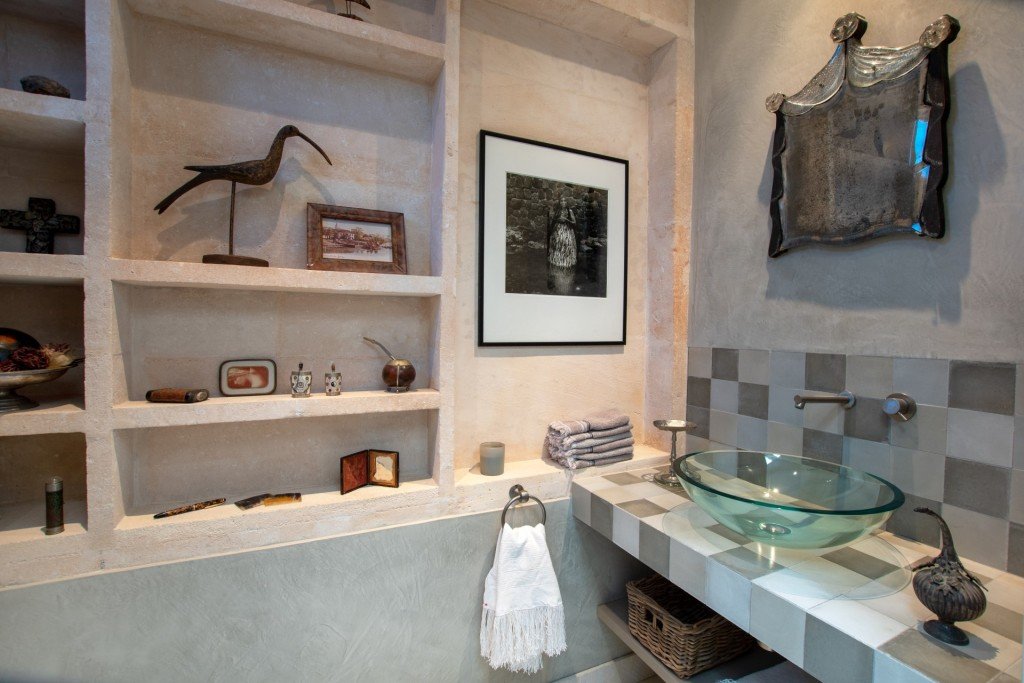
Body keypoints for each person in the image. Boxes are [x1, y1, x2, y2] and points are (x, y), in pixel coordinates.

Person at [546, 195, 577, 269]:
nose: (563, 202)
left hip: (567, 230)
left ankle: (566, 262)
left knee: (566, 245)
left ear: (567, 202)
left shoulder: (570, 211)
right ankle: (557, 261)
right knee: (557, 244)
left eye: (564, 201)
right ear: (560, 202)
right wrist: (557, 219)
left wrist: (566, 220)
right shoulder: (557, 211)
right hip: (558, 229)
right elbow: (553, 220)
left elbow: (574, 222)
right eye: (561, 201)